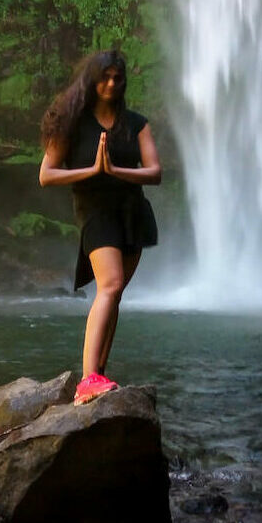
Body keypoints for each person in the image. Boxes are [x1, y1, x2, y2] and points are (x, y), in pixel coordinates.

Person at [39, 50, 161, 406]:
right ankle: (87, 380)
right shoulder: (71, 123)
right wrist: (93, 171)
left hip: (132, 213)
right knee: (111, 285)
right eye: (104, 77)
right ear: (92, 80)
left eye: (117, 78)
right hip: (95, 213)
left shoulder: (136, 124)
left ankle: (99, 372)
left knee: (115, 292)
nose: (111, 83)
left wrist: (116, 171)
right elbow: (47, 174)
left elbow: (155, 172)